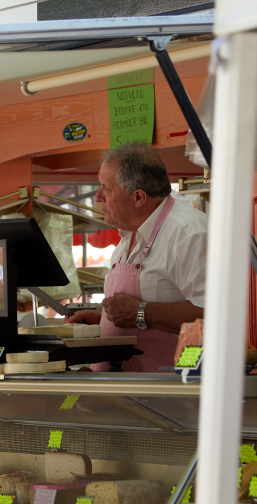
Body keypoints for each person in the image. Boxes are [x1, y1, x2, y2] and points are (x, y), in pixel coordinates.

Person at [67, 143, 207, 371]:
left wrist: (140, 312)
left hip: (168, 395)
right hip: (120, 396)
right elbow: (151, 302)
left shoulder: (189, 233)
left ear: (139, 197)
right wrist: (104, 319)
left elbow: (212, 314)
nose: (97, 196)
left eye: (106, 188)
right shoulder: (126, 236)